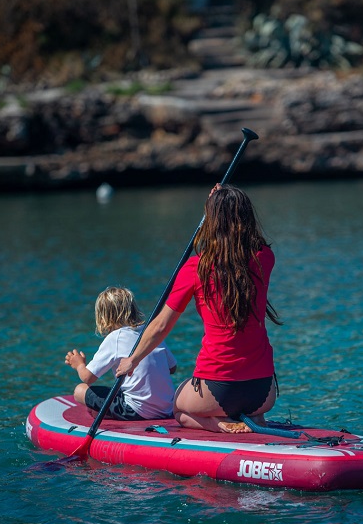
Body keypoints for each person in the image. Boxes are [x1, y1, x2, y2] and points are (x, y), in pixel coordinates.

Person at [115, 184, 281, 434]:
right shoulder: (264, 259)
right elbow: (254, 243)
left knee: (179, 409)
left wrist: (132, 360)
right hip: (264, 393)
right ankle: (254, 418)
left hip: (218, 389)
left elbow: (161, 325)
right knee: (247, 402)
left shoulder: (196, 268)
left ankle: (220, 425)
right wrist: (220, 203)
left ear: (212, 223)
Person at [65, 286, 177, 420]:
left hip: (136, 411)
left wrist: (79, 365)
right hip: (167, 409)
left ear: (103, 317)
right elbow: (172, 368)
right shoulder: (151, 333)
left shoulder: (115, 338)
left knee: (80, 390)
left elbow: (88, 378)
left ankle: (105, 413)